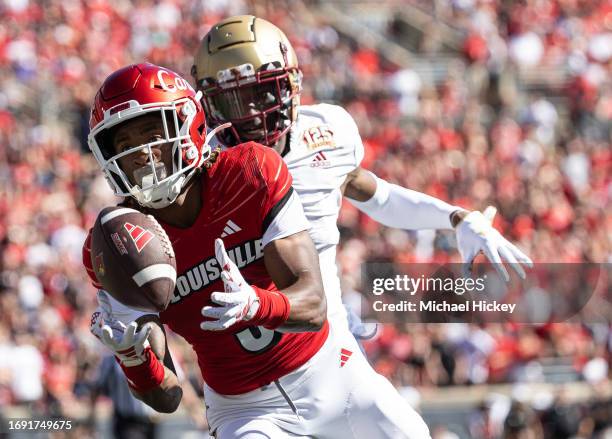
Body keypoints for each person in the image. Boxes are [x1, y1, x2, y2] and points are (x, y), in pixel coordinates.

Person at [83, 63, 431, 438]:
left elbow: (313, 305)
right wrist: (134, 360)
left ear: (188, 125)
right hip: (245, 410)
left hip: (331, 372)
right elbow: (166, 398)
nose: (141, 154)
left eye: (151, 132)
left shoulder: (250, 173)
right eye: (125, 145)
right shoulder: (119, 246)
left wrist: (255, 306)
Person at [192, 15, 533, 334]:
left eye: (261, 92)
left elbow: (378, 196)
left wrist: (457, 217)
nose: (254, 112)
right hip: (248, 340)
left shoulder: (325, 130)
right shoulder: (203, 163)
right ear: (212, 104)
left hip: (325, 327)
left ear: (289, 84)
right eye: (237, 99)